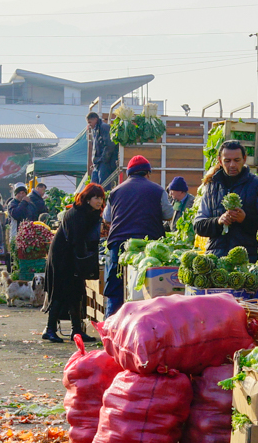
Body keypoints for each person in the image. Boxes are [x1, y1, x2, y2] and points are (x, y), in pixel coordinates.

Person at [103, 156, 173, 316]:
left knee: (115, 287)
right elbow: (168, 215)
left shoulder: (115, 192)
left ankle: (111, 326)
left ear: (129, 174)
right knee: (147, 287)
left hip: (118, 243)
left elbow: (107, 218)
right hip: (148, 245)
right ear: (147, 173)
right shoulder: (158, 190)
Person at [193, 140, 258, 260]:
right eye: (227, 161)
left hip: (249, 261)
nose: (232, 165)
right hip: (216, 260)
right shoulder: (211, 187)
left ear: (244, 159)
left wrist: (245, 220)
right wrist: (218, 221)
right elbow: (198, 226)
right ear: (220, 161)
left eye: (237, 160)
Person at [43, 183, 104, 343]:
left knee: (76, 293)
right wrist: (83, 262)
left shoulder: (88, 213)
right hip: (62, 257)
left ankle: (76, 330)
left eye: (101, 198)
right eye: (96, 198)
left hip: (72, 256)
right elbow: (76, 240)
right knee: (60, 292)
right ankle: (50, 329)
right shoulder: (77, 214)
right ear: (87, 198)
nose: (99, 201)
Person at [88, 112, 116, 185]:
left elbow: (110, 145)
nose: (89, 125)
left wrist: (103, 159)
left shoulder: (104, 127)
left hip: (104, 162)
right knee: (93, 184)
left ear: (95, 119)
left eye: (90, 122)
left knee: (103, 184)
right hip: (99, 162)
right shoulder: (96, 130)